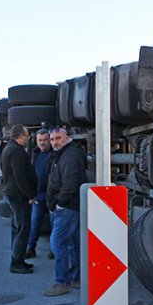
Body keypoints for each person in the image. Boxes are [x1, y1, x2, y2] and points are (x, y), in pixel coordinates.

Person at [44, 127, 87, 296]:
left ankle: (61, 282)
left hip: (68, 207)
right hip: (66, 206)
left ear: (67, 137)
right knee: (72, 243)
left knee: (57, 243)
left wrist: (60, 204)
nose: (55, 142)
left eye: (58, 138)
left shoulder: (70, 156)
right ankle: (76, 278)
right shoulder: (61, 154)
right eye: (52, 139)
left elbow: (70, 183)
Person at [1, 124, 38, 274]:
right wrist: (30, 194)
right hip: (18, 196)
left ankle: (18, 259)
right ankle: (16, 263)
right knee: (22, 229)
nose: (28, 138)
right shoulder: (16, 151)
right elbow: (19, 176)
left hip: (13, 194)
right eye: (27, 135)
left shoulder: (10, 148)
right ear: (20, 136)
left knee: (17, 229)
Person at [25, 128, 53, 260]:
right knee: (35, 222)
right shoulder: (34, 154)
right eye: (40, 140)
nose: (42, 143)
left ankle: (54, 250)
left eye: (45, 140)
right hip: (38, 194)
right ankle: (31, 248)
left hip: (52, 194)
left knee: (55, 223)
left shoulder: (55, 154)